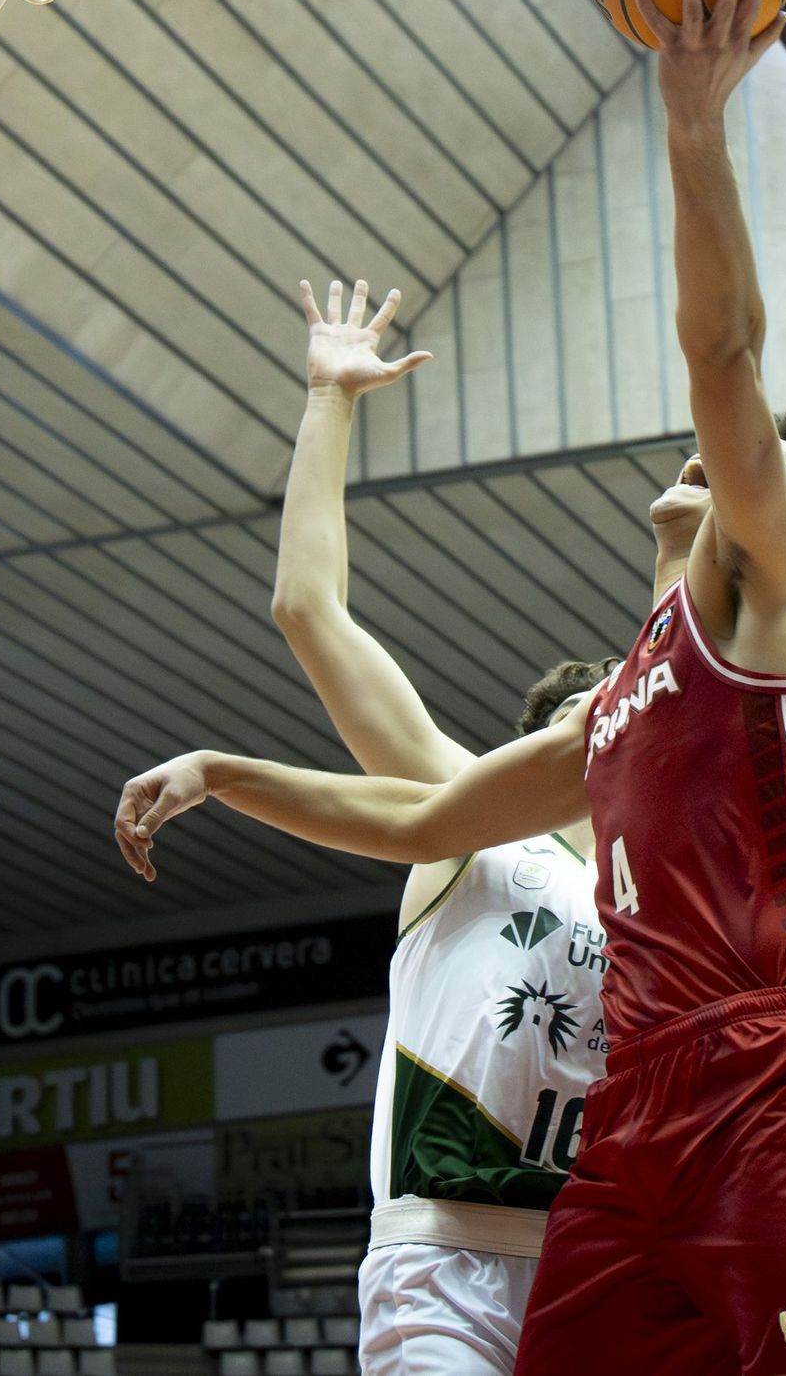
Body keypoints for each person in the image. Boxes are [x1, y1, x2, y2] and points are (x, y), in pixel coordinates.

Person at [116, 0, 786, 1376]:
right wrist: (229, 769)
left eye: (748, 476)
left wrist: (692, 122)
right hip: (617, 1141)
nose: (713, 466)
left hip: (764, 1070)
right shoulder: (614, 723)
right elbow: (416, 797)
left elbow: (723, 357)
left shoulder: (777, 620)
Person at [237, 277, 638, 1375]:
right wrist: (330, 399)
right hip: (448, 1259)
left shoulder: (664, 888)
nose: (609, 716)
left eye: (623, 701)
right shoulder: (474, 823)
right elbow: (308, 610)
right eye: (586, 707)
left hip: (603, 1260)